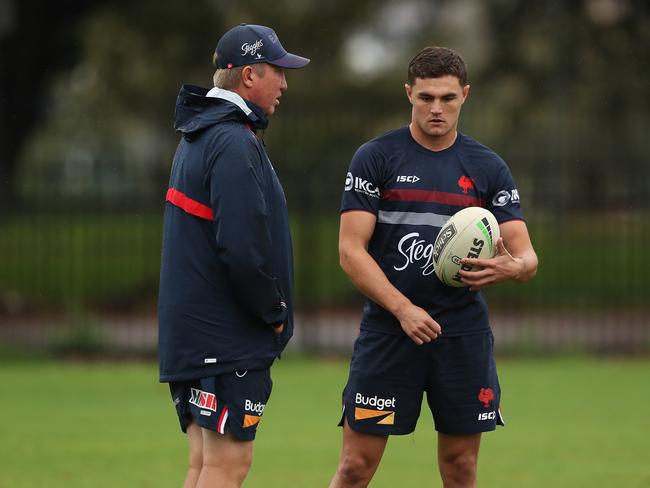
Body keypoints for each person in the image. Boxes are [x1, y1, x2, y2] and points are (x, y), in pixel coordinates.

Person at [329, 46, 538, 488]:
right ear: (409, 94)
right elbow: (351, 252)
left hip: (461, 334)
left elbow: (527, 256)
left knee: (461, 467)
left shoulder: (487, 167)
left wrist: (510, 268)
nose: (436, 109)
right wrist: (403, 310)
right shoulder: (376, 158)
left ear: (465, 94)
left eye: (447, 98)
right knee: (355, 467)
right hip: (390, 333)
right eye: (425, 98)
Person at [157, 23, 308, 488]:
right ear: (248, 75)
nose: (284, 83)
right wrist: (274, 311)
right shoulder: (233, 141)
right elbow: (242, 248)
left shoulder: (200, 133)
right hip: (225, 340)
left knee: (203, 464)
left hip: (197, 338)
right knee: (228, 466)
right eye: (277, 71)